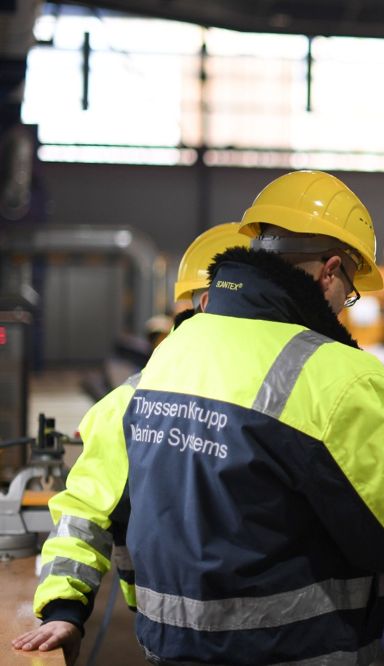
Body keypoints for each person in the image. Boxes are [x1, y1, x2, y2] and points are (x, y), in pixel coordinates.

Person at [15, 170, 384, 665]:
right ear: (332, 269)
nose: (344, 306)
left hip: (169, 646)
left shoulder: (177, 351)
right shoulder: (338, 374)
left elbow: (94, 503)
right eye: (351, 291)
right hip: (292, 650)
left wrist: (66, 604)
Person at [11, 222, 258, 663]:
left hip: (187, 642)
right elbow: (85, 513)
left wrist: (65, 607)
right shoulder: (127, 404)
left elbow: (81, 514)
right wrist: (64, 608)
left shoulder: (126, 400)